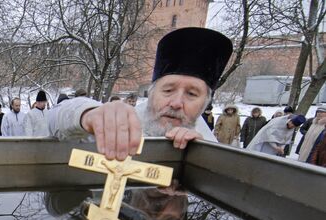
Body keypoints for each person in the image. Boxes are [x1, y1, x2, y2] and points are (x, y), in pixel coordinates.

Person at [48, 27, 233, 159]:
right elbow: (55, 118)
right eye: (168, 90)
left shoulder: (208, 145)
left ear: (204, 103)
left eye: (192, 94)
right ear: (151, 92)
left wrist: (200, 160)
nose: (177, 103)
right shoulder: (124, 122)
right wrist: (87, 114)